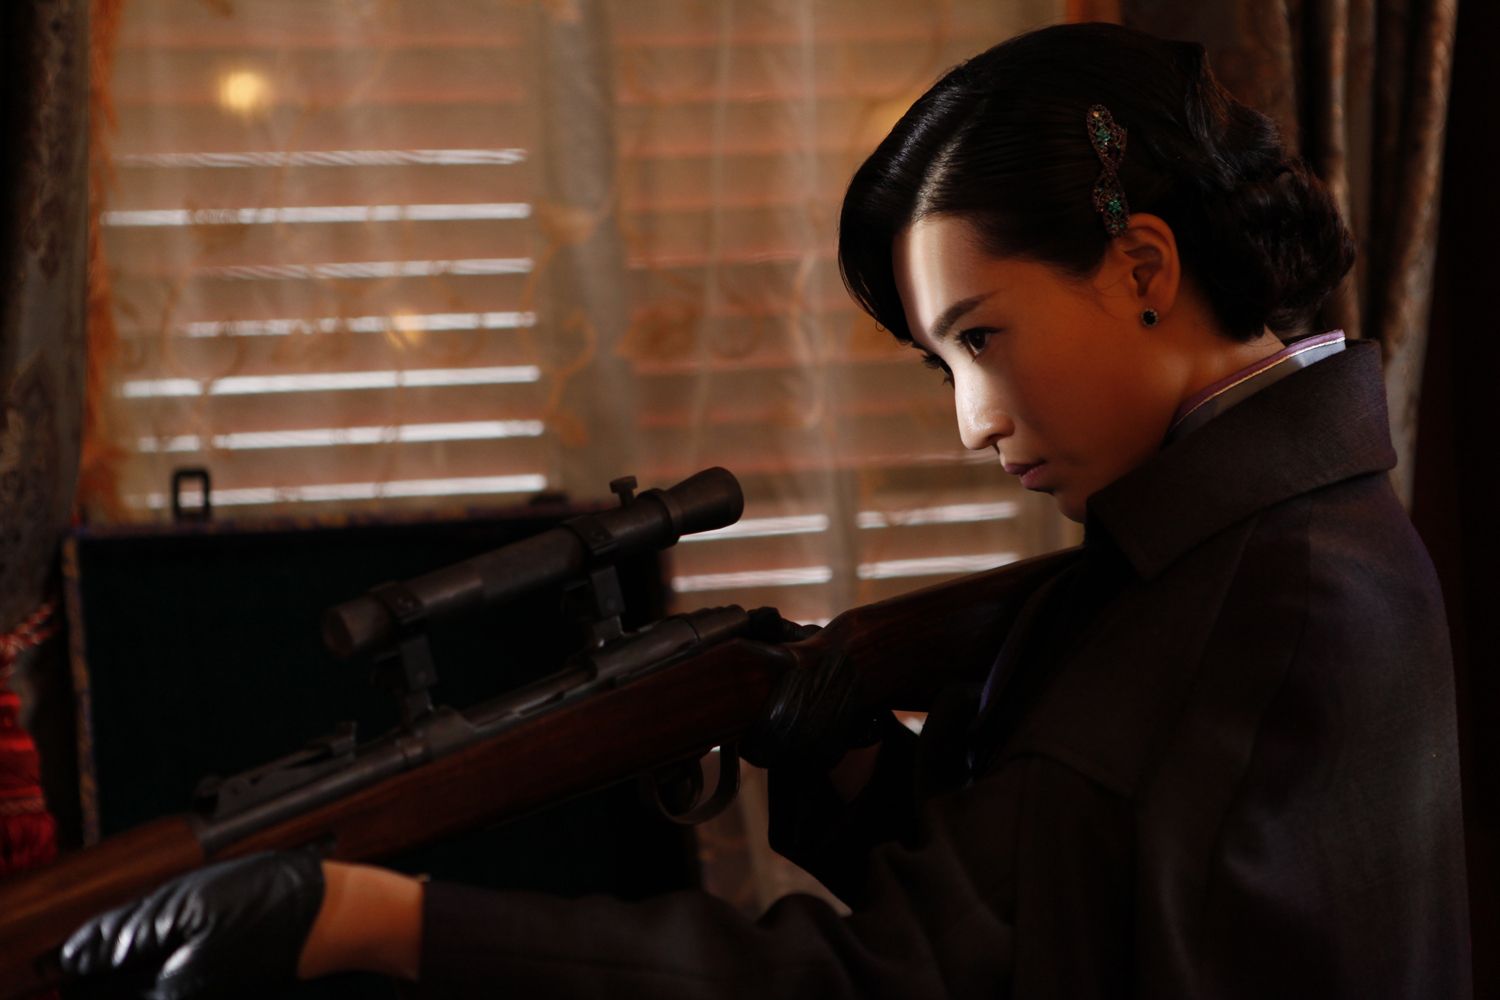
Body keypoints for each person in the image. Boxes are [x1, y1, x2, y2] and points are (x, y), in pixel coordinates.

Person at [58, 21, 1470, 999]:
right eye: (944, 365)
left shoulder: (1261, 591)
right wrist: (840, 749)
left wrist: (376, 918)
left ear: (1143, 267)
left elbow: (905, 981)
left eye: (982, 338)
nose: (972, 421)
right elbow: (1055, 913)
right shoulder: (1269, 546)